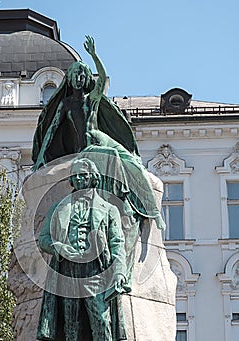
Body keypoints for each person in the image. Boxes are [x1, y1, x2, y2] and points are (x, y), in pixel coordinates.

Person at [32, 35, 165, 232]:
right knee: (115, 159)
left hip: (102, 139)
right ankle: (125, 200)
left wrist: (94, 55)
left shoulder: (91, 99)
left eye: (81, 74)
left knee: (134, 162)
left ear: (86, 78)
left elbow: (101, 79)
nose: (78, 78)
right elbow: (51, 130)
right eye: (74, 74)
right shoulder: (66, 104)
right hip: (87, 147)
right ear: (68, 78)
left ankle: (152, 211)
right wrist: (41, 157)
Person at [37, 158, 128, 341]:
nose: (79, 180)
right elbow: (43, 239)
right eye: (75, 176)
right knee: (71, 326)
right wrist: (58, 247)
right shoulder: (60, 207)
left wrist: (119, 272)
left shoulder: (108, 209)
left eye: (84, 175)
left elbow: (118, 243)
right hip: (67, 272)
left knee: (102, 324)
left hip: (96, 272)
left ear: (93, 177)